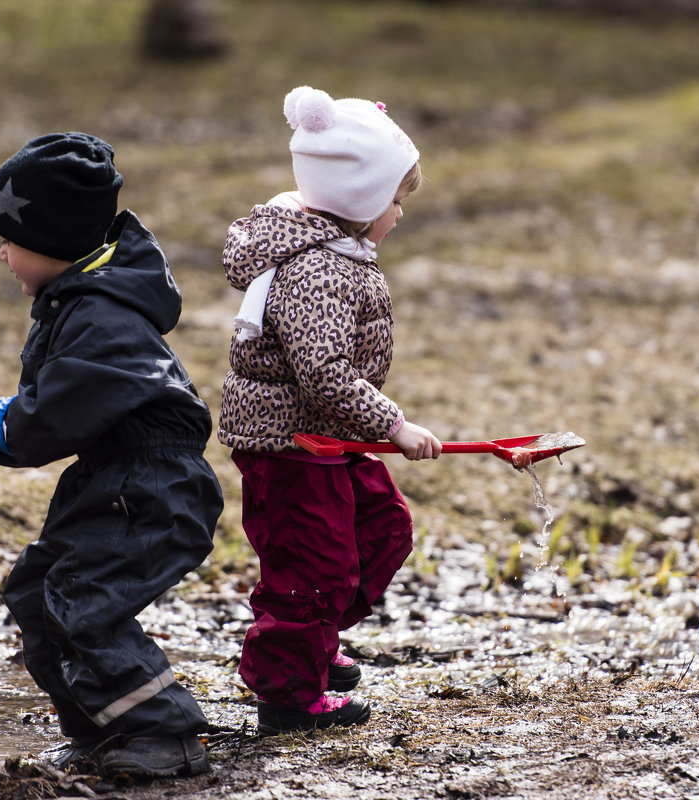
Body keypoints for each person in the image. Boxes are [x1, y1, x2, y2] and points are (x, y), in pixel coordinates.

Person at [0, 132, 223, 778]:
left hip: (154, 490)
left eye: (10, 240)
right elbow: (47, 409)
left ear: (55, 242)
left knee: (81, 601)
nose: (1, 254)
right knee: (38, 591)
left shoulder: (104, 318)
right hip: (110, 482)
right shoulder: (78, 303)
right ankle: (104, 727)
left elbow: (44, 421)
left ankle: (165, 732)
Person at [218, 86, 443, 736]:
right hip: (290, 446)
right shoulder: (316, 271)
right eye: (395, 200)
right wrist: (394, 427)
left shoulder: (338, 255)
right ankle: (287, 695)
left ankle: (312, 638)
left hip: (329, 439)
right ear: (360, 200)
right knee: (312, 565)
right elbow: (323, 376)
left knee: (384, 528)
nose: (400, 213)